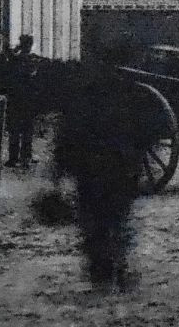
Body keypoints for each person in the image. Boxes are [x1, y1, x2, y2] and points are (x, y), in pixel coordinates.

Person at [55, 60, 143, 289]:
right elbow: (142, 136)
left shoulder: (80, 101)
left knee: (95, 219)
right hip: (116, 169)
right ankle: (117, 264)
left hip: (91, 171)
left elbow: (66, 137)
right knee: (116, 218)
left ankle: (101, 267)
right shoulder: (125, 99)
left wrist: (59, 171)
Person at [5, 35, 40, 168]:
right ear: (30, 45)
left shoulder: (15, 60)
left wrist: (16, 49)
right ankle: (26, 157)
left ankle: (13, 158)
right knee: (27, 129)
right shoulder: (33, 61)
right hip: (28, 100)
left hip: (15, 99)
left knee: (14, 129)